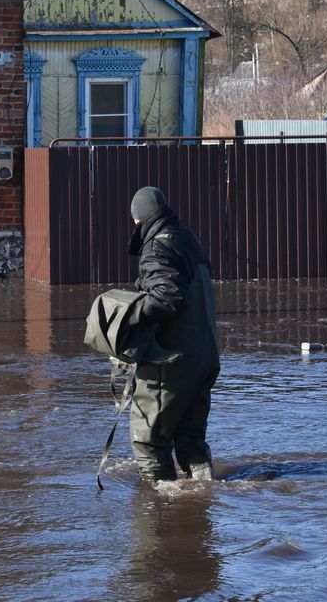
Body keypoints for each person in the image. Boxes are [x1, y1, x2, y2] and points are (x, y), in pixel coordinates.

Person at [127, 186, 220, 482]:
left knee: (149, 441)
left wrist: (131, 317)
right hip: (205, 357)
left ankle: (158, 515)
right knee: (190, 437)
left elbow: (168, 296)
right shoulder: (188, 239)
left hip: (173, 361)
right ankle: (203, 498)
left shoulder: (157, 247)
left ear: (138, 220)